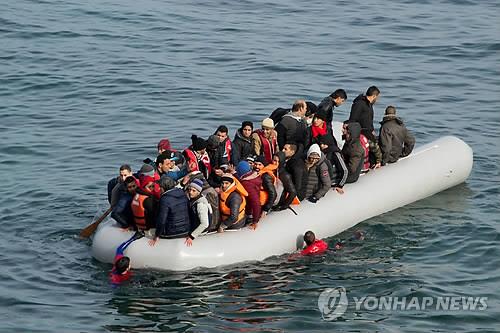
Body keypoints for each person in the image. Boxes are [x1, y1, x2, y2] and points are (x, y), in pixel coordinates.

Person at [149, 177, 191, 246]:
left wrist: (157, 235)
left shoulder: (164, 199)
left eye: (160, 187)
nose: (159, 189)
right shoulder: (182, 193)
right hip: (186, 230)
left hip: (171, 233)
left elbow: (161, 220)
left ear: (164, 188)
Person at [185, 179, 213, 246]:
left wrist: (192, 236)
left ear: (198, 192)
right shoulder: (195, 200)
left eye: (193, 191)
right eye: (190, 190)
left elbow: (205, 224)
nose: (190, 192)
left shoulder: (200, 204)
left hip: (200, 233)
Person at [235, 161, 262, 228]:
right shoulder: (253, 175)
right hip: (251, 210)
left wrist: (255, 221)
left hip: (250, 211)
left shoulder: (247, 184)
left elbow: (256, 203)